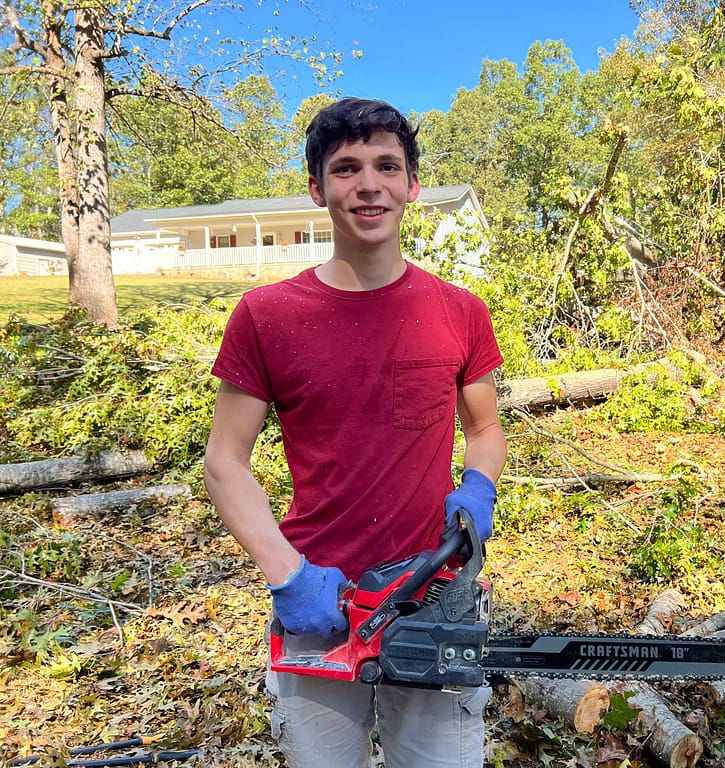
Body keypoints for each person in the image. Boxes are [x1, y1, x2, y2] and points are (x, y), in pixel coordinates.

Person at [203, 97, 508, 768]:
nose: (368, 184)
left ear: (412, 185)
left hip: (438, 590)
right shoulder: (266, 316)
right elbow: (225, 462)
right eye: (345, 169)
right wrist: (288, 575)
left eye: (386, 166)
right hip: (318, 597)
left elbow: (484, 427)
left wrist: (479, 485)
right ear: (317, 187)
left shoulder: (460, 310)